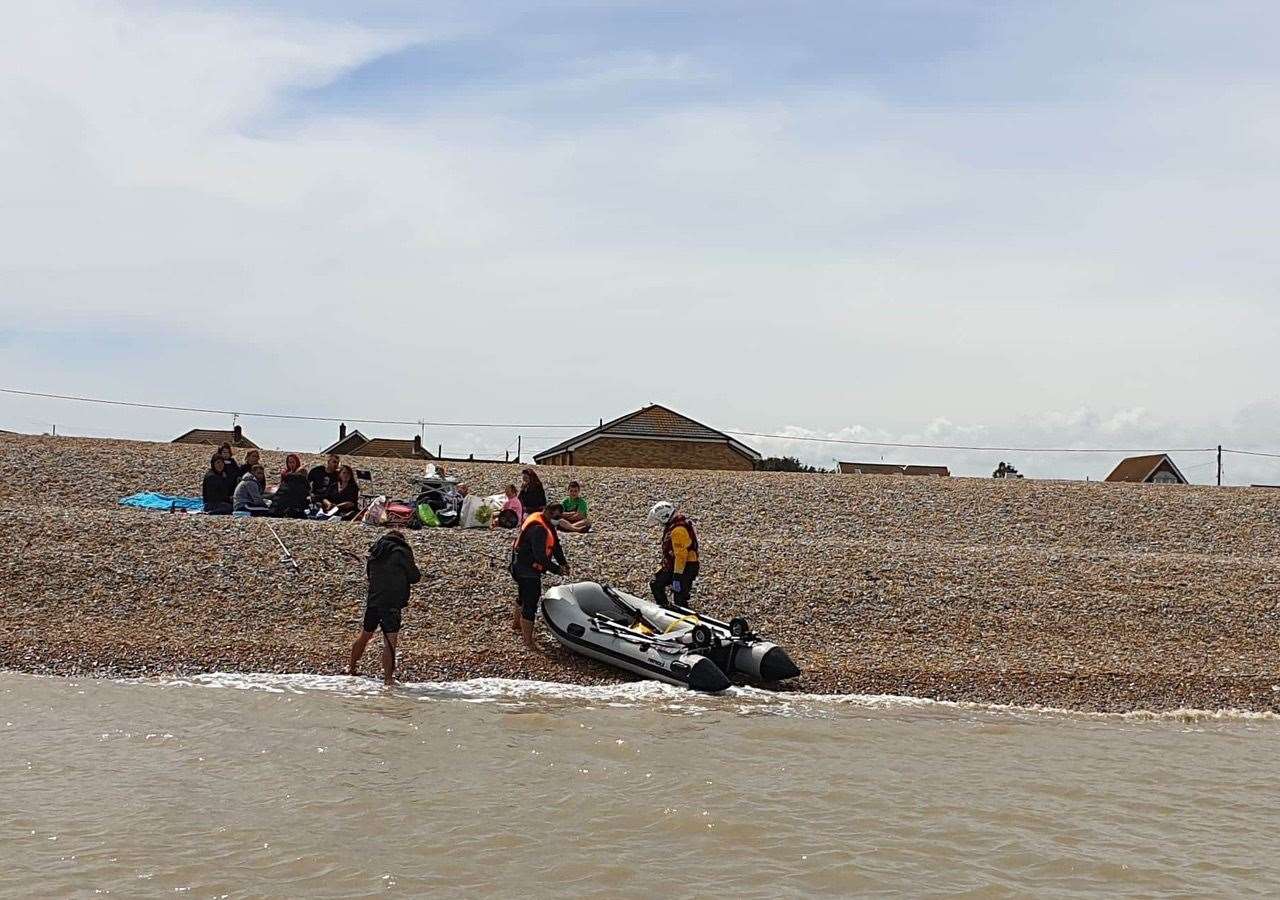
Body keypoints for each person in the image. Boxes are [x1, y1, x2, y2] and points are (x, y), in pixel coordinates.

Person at [348, 528, 421, 685]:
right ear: (400, 539)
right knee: (390, 641)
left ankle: (352, 668)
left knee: (365, 636)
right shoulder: (402, 551)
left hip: (374, 601)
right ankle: (388, 679)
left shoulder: (375, 552)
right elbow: (415, 577)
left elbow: (369, 576)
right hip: (392, 604)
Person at [509, 502, 569, 650]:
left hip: (518, 565)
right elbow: (540, 556)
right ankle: (528, 641)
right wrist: (557, 570)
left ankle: (516, 625)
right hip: (526, 570)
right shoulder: (539, 529)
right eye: (556, 516)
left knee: (522, 595)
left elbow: (555, 546)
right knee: (530, 601)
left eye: (560, 517)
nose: (558, 519)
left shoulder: (544, 522)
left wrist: (563, 563)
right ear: (547, 512)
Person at [648, 500, 699, 609]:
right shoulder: (676, 523)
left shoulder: (678, 531)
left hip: (686, 567)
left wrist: (677, 576)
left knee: (680, 599)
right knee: (656, 584)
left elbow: (681, 556)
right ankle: (665, 608)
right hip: (676, 564)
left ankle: (685, 619)